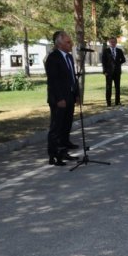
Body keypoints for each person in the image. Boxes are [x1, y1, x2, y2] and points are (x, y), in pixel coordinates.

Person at [45, 31, 79, 166]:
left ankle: (63, 151)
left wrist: (76, 94)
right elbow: (53, 81)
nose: (71, 44)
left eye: (70, 41)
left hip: (69, 96)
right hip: (59, 99)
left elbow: (72, 77)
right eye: (68, 42)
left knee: (66, 125)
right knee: (56, 127)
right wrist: (59, 98)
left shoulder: (69, 57)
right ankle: (53, 155)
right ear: (59, 44)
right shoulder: (53, 58)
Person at [101, 37, 126, 107]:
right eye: (111, 42)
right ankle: (108, 103)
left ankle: (117, 102)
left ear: (116, 43)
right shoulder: (106, 51)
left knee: (117, 87)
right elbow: (103, 62)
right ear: (109, 43)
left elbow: (123, 60)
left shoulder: (119, 50)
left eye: (114, 42)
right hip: (109, 73)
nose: (113, 43)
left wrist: (118, 63)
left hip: (117, 72)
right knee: (108, 87)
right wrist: (104, 71)